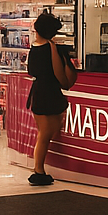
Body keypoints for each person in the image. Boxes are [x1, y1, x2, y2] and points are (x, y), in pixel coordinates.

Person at [25, 11, 75, 186]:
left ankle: (39, 169)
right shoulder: (53, 48)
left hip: (39, 91)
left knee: (44, 133)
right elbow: (61, 76)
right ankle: (38, 169)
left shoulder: (34, 48)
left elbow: (32, 71)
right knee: (46, 134)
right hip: (50, 92)